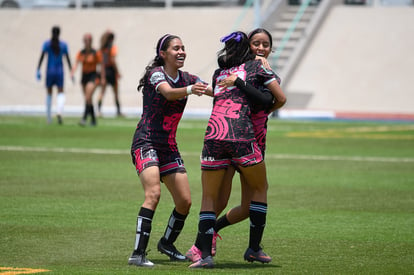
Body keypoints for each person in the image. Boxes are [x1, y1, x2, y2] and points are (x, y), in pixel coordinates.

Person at [188, 31, 286, 268]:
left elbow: (228, 96)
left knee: (233, 204)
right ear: (248, 47)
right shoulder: (256, 70)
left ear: (271, 49)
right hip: (243, 139)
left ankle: (206, 248)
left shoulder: (225, 72)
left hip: (217, 135)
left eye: (265, 44)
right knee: (230, 197)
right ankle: (215, 246)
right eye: (256, 43)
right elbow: (274, 100)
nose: (261, 47)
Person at [128, 34, 210, 267]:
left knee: (184, 202)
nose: (181, 51)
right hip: (146, 142)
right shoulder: (157, 74)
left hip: (169, 147)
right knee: (153, 194)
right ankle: (137, 254)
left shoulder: (188, 78)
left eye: (183, 47)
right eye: (176, 48)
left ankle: (166, 243)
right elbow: (168, 92)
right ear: (163, 54)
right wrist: (192, 89)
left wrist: (236, 85)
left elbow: (212, 90)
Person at [36, 25, 73, 124]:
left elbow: (42, 57)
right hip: (59, 71)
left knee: (49, 93)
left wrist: (38, 69)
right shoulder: (63, 45)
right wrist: (71, 71)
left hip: (50, 71)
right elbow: (68, 59)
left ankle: (48, 117)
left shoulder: (47, 44)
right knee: (60, 92)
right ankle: (59, 111)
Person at [71, 33, 105, 127]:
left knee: (88, 96)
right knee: (88, 99)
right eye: (85, 40)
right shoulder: (81, 52)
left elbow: (101, 65)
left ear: (91, 41)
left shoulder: (95, 52)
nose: (86, 42)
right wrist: (72, 72)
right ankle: (93, 119)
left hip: (93, 76)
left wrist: (102, 78)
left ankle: (84, 118)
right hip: (84, 76)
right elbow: (76, 63)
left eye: (88, 40)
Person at [96, 30, 123, 117]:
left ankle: (99, 111)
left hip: (104, 71)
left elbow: (102, 64)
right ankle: (118, 111)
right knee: (115, 92)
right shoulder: (112, 48)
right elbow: (113, 61)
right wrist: (117, 72)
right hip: (111, 71)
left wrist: (103, 76)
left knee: (102, 92)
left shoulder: (102, 49)